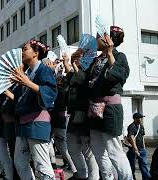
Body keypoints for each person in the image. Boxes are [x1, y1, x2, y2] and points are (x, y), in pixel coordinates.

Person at [79, 26, 133, 179]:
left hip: (110, 108)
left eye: (98, 36)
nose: (96, 38)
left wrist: (110, 53)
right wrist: (76, 63)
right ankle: (107, 177)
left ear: (108, 39)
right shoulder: (96, 59)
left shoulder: (119, 56)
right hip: (94, 108)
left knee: (114, 149)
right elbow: (84, 81)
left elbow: (117, 77)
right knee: (97, 149)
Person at [5, 40, 58, 179]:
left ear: (36, 53)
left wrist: (27, 83)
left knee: (41, 164)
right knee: (20, 162)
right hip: (23, 124)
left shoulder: (44, 69)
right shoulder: (26, 73)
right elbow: (18, 99)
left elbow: (51, 92)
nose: (22, 52)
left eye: (25, 49)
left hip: (38, 122)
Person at [62, 52, 99, 180]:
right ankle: (82, 174)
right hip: (74, 114)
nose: (77, 60)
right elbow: (71, 77)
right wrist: (68, 63)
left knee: (88, 150)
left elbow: (81, 79)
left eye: (78, 58)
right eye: (75, 58)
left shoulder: (89, 72)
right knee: (72, 147)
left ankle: (93, 176)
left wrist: (72, 65)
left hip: (86, 113)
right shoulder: (74, 73)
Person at [127, 113, 151, 180]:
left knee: (144, 165)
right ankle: (132, 178)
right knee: (132, 166)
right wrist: (135, 148)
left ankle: (146, 178)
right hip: (133, 150)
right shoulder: (131, 126)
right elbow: (131, 137)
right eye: (138, 118)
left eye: (141, 118)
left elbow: (142, 136)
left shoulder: (141, 126)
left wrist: (144, 147)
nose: (140, 119)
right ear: (134, 119)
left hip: (142, 149)